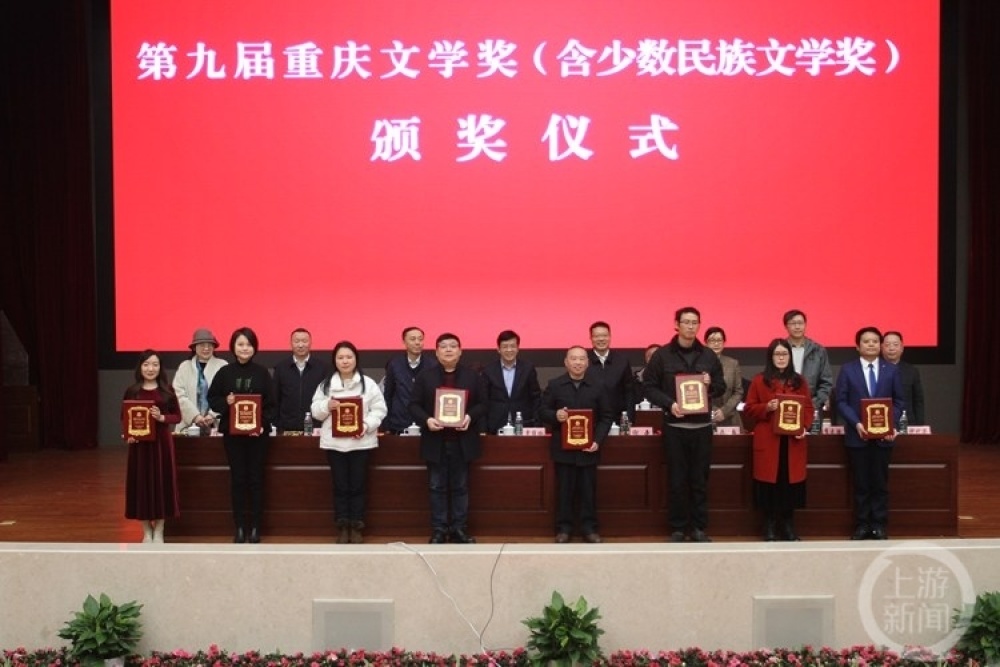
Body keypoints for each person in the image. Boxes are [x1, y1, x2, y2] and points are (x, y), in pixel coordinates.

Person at [642, 306, 726, 542]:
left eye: (694, 322)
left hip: (702, 429)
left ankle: (699, 528)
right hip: (674, 428)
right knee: (677, 480)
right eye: (686, 322)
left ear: (699, 325)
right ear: (676, 325)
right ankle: (678, 528)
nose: (690, 326)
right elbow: (649, 387)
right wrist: (669, 404)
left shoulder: (709, 356)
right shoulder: (662, 355)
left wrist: (710, 384)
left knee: (699, 480)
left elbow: (721, 387)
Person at [409, 332, 486, 544]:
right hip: (435, 441)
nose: (449, 349)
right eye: (444, 346)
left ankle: (459, 529)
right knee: (437, 487)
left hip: (463, 442)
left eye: (453, 346)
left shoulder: (473, 376)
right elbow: (413, 405)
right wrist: (427, 420)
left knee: (460, 487)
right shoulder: (425, 376)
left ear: (460, 351)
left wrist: (469, 417)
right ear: (436, 352)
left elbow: (483, 403)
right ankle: (439, 530)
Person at [310, 341, 387, 544]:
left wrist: (366, 425)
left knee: (358, 486)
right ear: (335, 361)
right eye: (341, 357)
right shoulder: (326, 385)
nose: (345, 361)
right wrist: (327, 405)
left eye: (349, 357)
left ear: (356, 359)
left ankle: (357, 526)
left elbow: (380, 409)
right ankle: (342, 526)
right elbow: (315, 410)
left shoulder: (368, 384)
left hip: (361, 443)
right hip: (334, 444)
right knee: (340, 486)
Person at [207, 327, 277, 544]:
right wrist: (226, 403)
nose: (244, 348)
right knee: (238, 479)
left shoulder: (262, 372)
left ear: (254, 347)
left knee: (256, 479)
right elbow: (213, 399)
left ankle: (255, 527)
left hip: (258, 436)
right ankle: (239, 527)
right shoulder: (224, 372)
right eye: (240, 344)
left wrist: (261, 424)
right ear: (233, 347)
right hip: (233, 436)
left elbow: (272, 404)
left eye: (248, 344)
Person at [834, 326, 905, 540]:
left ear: (880, 345)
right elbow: (841, 401)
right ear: (858, 346)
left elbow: (899, 401)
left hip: (884, 437)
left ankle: (879, 525)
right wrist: (856, 423)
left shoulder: (891, 370)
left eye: (875, 341)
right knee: (861, 484)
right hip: (858, 436)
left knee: (880, 484)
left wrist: (889, 423)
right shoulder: (848, 369)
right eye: (866, 341)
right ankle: (862, 525)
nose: (871, 344)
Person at [538, 346, 613, 543]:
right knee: (564, 491)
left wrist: (597, 441)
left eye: (581, 359)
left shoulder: (598, 386)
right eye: (574, 359)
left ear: (587, 363)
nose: (578, 362)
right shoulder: (555, 385)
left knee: (589, 492)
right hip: (563, 450)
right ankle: (564, 529)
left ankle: (590, 529)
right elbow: (542, 411)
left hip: (589, 449)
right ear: (566, 362)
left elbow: (606, 416)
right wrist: (555, 415)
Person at [742, 339, 814, 541]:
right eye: (777, 354)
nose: (781, 358)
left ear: (790, 357)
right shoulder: (759, 380)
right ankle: (769, 526)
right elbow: (748, 409)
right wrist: (767, 407)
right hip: (769, 441)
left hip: (792, 442)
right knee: (769, 485)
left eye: (785, 354)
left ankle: (788, 526)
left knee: (790, 484)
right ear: (770, 357)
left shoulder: (799, 381)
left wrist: (804, 427)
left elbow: (808, 408)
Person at [122, 349, 181, 543]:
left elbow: (177, 416)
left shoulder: (167, 390)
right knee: (142, 484)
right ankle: (146, 530)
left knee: (161, 484)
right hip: (140, 446)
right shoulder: (132, 391)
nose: (150, 368)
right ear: (140, 367)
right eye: (146, 364)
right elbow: (124, 417)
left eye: (155, 364)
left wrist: (161, 417)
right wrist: (128, 434)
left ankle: (160, 529)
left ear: (160, 367)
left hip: (162, 446)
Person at [481, 329, 542, 433]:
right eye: (505, 347)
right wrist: (483, 428)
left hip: (523, 423)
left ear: (518, 348)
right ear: (498, 349)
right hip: (495, 425)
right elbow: (484, 401)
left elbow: (536, 398)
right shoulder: (488, 371)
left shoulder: (528, 369)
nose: (509, 350)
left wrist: (536, 424)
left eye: (512, 346)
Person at [381, 326, 438, 434]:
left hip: (425, 423)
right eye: (413, 339)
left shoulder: (433, 365)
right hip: (399, 423)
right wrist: (386, 425)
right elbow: (388, 395)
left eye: (420, 339)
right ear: (404, 342)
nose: (417, 342)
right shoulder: (394, 364)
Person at [273, 328, 330, 433]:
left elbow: (327, 398)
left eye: (304, 341)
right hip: (286, 428)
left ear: (310, 343)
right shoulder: (281, 368)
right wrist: (277, 424)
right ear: (291, 343)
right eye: (296, 341)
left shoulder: (322, 368)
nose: (300, 345)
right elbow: (275, 398)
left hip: (316, 427)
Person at [172, 328, 227, 434]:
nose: (206, 348)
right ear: (194, 347)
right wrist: (195, 416)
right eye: (202, 345)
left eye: (210, 345)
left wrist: (212, 415)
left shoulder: (223, 366)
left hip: (217, 426)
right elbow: (178, 395)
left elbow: (226, 395)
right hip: (188, 426)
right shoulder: (184, 367)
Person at [783, 309, 834, 418]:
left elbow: (826, 382)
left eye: (800, 323)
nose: (797, 327)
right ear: (786, 326)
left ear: (805, 325)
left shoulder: (818, 350)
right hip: (785, 407)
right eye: (793, 323)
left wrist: (814, 403)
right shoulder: (780, 350)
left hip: (812, 406)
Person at [586, 321, 636, 421]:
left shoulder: (622, 361)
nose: (601, 339)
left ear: (610, 336)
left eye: (605, 335)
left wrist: (629, 418)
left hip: (617, 418)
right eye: (596, 336)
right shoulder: (583, 360)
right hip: (591, 418)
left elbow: (629, 392)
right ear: (590, 338)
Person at [881, 331, 926, 426]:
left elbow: (918, 401)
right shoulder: (875, 370)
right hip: (881, 421)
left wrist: (919, 425)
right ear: (881, 348)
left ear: (902, 348)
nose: (891, 348)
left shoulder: (911, 371)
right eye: (887, 345)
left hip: (907, 422)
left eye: (895, 344)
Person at [703, 326, 744, 429]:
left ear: (724, 342)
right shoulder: (699, 365)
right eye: (712, 340)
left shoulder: (733, 363)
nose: (716, 344)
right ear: (706, 343)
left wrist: (724, 411)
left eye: (719, 340)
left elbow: (738, 391)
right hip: (706, 418)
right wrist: (714, 410)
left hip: (730, 417)